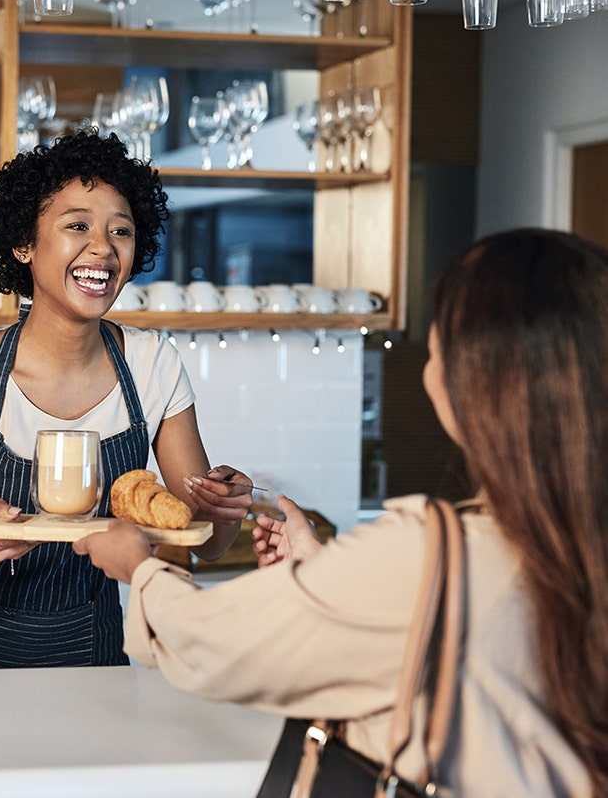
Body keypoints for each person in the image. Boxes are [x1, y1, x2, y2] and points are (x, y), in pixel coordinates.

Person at [73, 228, 608, 796]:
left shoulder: (430, 553)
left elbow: (216, 643)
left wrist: (141, 569)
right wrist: (323, 573)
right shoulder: (569, 542)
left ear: (476, 379)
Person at [0, 128, 253, 671]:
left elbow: (201, 542)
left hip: (93, 653)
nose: (104, 248)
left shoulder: (152, 365)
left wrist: (223, 511)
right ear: (23, 243)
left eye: (121, 230)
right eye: (77, 225)